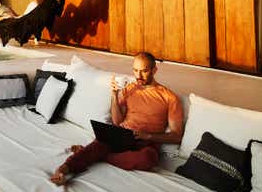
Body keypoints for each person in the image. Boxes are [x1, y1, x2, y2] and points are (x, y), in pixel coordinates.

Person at [49, 52, 184, 185]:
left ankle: (100, 156)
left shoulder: (169, 97)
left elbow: (177, 136)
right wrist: (114, 95)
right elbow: (117, 121)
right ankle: (62, 170)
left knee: (148, 158)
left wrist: (148, 136)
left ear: (154, 70)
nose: (138, 76)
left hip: (147, 142)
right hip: (123, 134)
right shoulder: (129, 89)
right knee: (99, 143)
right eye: (135, 70)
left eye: (144, 71)